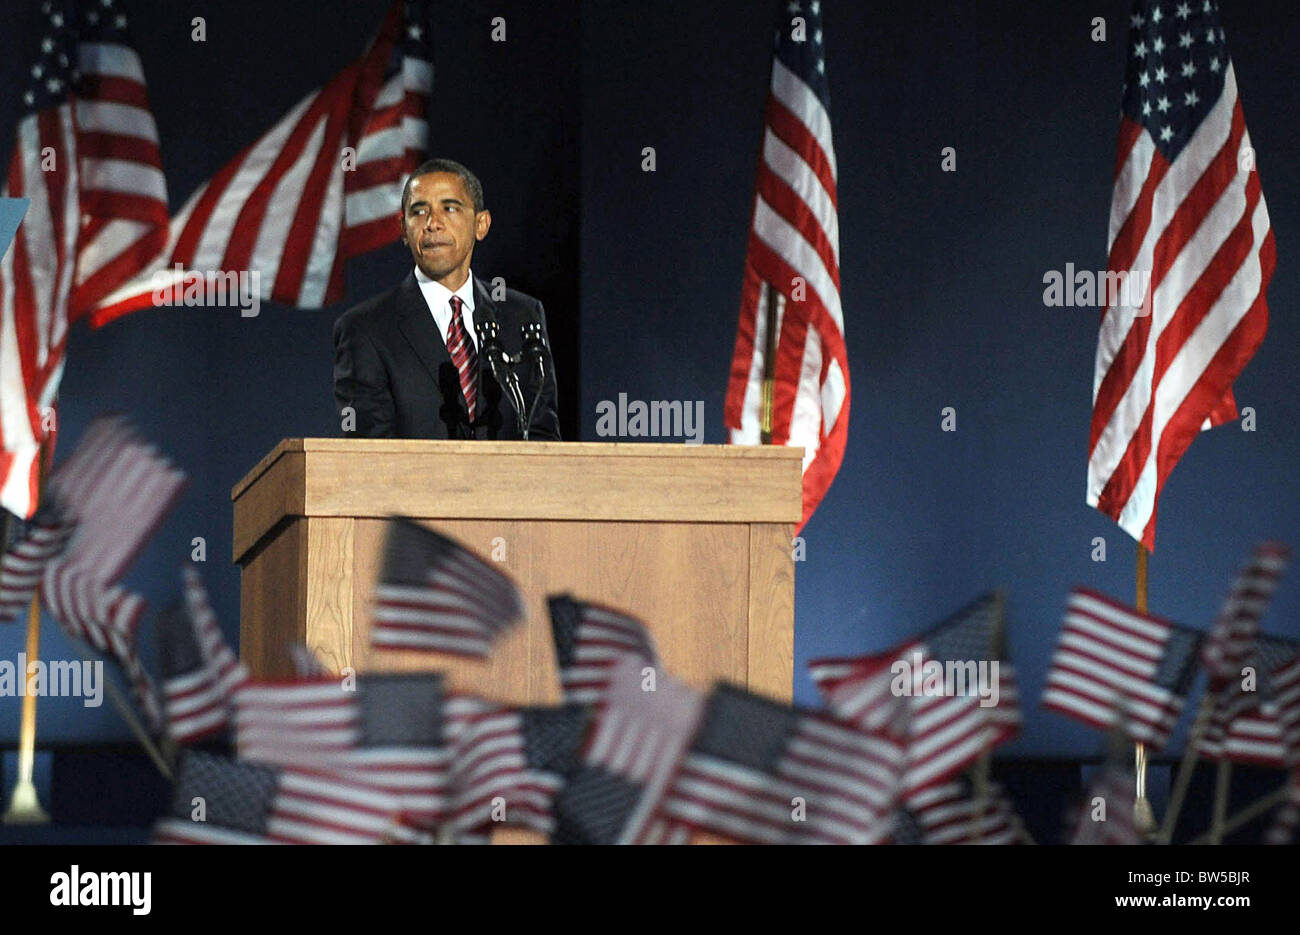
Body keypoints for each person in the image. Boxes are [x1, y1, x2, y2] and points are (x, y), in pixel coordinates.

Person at [333, 158, 561, 440]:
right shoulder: (365, 329)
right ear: (403, 229)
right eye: (419, 212)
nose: (432, 224)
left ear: (481, 224)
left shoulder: (522, 314)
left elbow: (543, 437)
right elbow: (370, 453)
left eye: (449, 208)